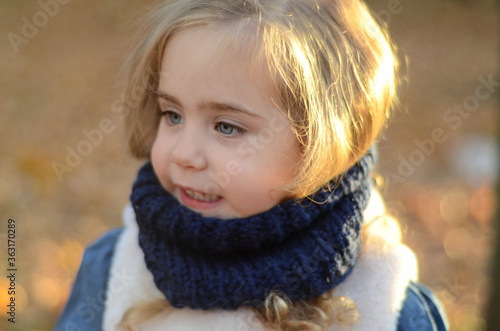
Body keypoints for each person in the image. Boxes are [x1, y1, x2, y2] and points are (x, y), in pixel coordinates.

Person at [56, 0, 448, 330]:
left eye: (227, 127)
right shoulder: (111, 269)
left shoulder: (391, 309)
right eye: (172, 115)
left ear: (324, 145)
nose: (183, 155)